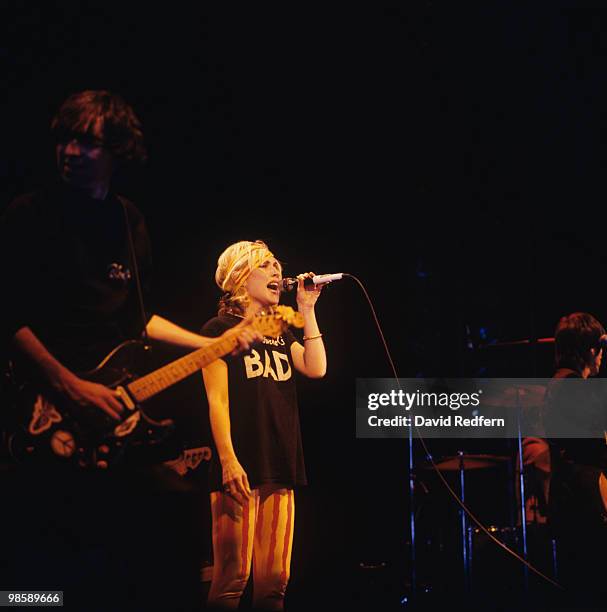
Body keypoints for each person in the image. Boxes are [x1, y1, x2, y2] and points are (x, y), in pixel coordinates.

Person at [0, 90, 258, 610]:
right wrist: (69, 387)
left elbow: (139, 319)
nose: (71, 152)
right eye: (65, 140)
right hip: (41, 409)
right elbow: (9, 318)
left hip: (112, 415)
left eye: (88, 143)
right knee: (33, 582)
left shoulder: (127, 221)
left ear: (118, 150)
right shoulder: (29, 214)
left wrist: (213, 344)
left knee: (134, 561)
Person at [201, 240, 326, 611]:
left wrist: (306, 309)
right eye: (267, 265)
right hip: (239, 465)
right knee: (232, 580)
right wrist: (227, 460)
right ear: (241, 276)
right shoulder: (218, 328)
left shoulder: (281, 333)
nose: (278, 272)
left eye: (277, 265)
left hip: (281, 464)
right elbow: (217, 400)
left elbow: (317, 368)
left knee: (275, 584)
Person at [543, 312, 607, 602]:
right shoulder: (571, 387)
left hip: (573, 498)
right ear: (590, 349)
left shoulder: (561, 383)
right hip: (583, 502)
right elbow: (595, 445)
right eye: (600, 349)